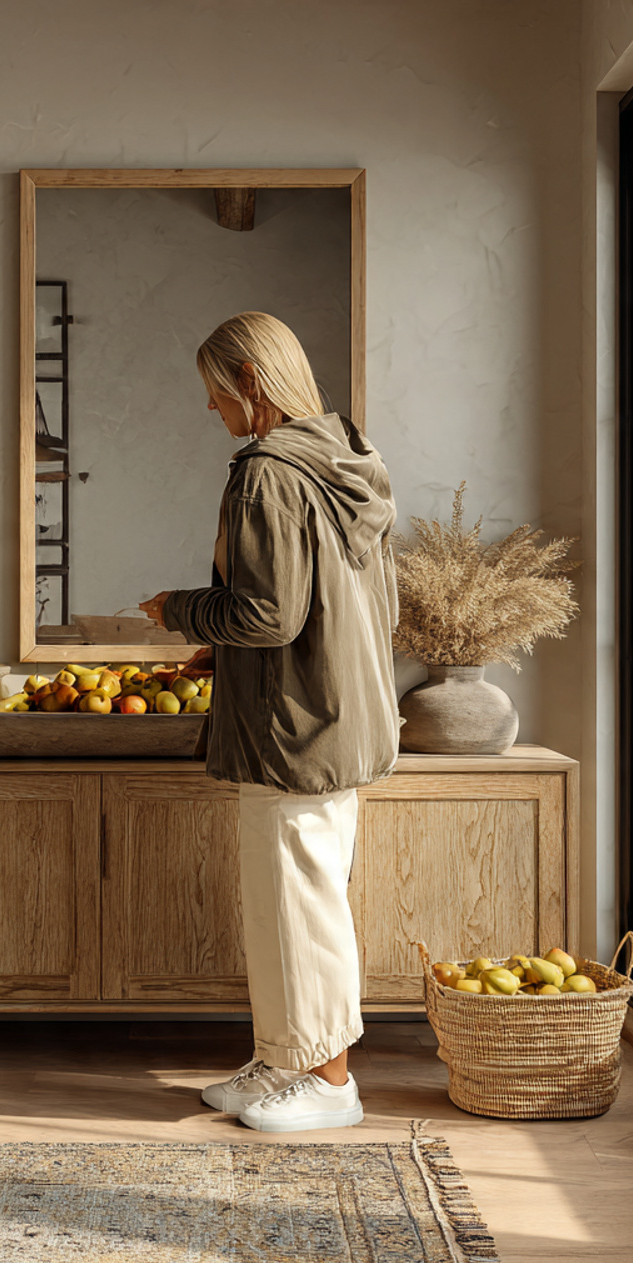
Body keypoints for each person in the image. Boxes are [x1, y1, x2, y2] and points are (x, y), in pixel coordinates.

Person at [138, 311, 399, 1134]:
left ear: (251, 382)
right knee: (287, 898)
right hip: (328, 710)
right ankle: (284, 1059)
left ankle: (328, 1083)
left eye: (216, 394)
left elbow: (266, 614)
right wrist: (226, 653)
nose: (210, 409)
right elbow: (329, 606)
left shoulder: (266, 473)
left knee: (300, 903)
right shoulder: (340, 461)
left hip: (294, 728)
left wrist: (180, 610)